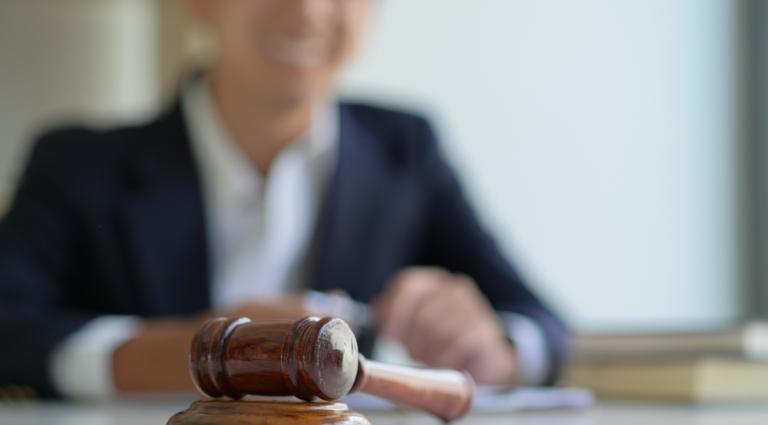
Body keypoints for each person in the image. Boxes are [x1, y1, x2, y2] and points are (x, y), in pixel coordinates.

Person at [0, 0, 566, 399]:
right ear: (200, 3)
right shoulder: (77, 165)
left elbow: (541, 322)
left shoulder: (406, 151)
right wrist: (205, 354)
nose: (309, 9)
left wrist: (494, 349)